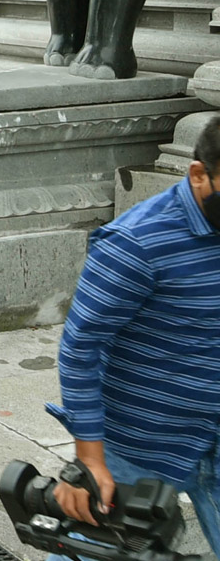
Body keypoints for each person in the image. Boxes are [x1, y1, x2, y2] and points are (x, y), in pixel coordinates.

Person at [46, 115, 220, 557]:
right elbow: (81, 347)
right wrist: (89, 459)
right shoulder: (135, 243)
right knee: (94, 548)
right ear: (199, 174)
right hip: (142, 438)